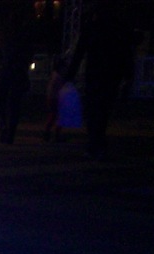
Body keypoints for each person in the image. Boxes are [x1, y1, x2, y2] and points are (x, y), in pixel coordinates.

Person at [65, 0, 135, 157]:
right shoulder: (118, 28)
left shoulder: (92, 27)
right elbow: (127, 53)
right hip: (111, 75)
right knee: (103, 111)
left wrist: (70, 74)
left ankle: (94, 143)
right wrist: (128, 77)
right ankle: (98, 143)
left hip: (95, 74)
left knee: (93, 110)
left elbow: (79, 51)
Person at [0, 0, 35, 144]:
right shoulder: (25, 36)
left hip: (6, 71)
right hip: (18, 72)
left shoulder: (5, 35)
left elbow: (1, 54)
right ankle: (10, 132)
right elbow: (29, 54)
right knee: (15, 104)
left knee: (1, 103)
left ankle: (4, 128)